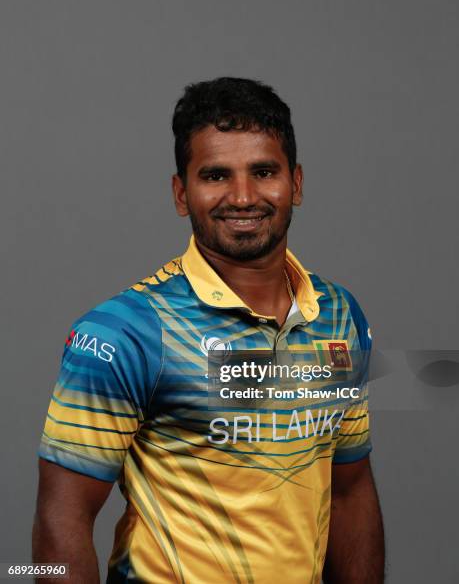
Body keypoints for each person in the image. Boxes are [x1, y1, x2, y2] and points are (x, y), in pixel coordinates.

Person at [33, 77, 384, 583]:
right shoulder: (126, 332)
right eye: (216, 175)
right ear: (181, 193)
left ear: (297, 184)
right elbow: (61, 519)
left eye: (263, 172)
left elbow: (351, 490)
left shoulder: (339, 316)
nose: (243, 197)